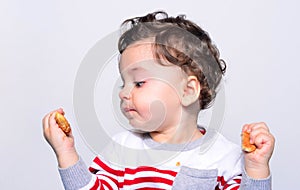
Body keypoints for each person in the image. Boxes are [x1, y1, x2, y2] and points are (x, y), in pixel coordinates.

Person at [43, 11, 275, 190]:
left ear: (188, 91)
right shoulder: (122, 150)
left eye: (139, 83)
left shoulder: (224, 157)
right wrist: (67, 154)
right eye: (124, 82)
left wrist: (256, 168)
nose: (123, 93)